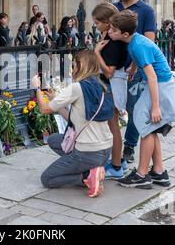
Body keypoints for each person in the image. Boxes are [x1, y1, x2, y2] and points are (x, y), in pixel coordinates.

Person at [108, 10, 175, 189]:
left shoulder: (138, 45)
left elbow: (152, 76)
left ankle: (141, 174)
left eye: (113, 30)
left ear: (125, 34)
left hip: (160, 87)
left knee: (146, 126)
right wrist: (132, 69)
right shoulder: (134, 41)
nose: (110, 32)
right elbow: (137, 58)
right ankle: (158, 171)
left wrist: (155, 107)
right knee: (151, 127)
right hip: (158, 86)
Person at [32, 50, 115, 198]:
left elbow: (44, 109)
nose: (72, 69)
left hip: (87, 152)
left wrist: (37, 87)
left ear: (81, 65)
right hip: (105, 151)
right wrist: (54, 98)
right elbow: (77, 118)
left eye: (74, 65)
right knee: (53, 139)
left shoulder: (77, 88)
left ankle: (86, 176)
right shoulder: (102, 87)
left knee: (47, 178)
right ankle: (93, 169)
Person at [113, 0, 157, 164]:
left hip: (135, 70)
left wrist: (136, 67)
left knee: (133, 108)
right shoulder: (114, 8)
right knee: (111, 109)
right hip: (113, 68)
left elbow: (149, 41)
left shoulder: (146, 11)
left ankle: (129, 146)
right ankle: (111, 148)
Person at [92, 3, 129, 180]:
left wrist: (96, 53)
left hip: (112, 86)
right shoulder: (107, 37)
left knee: (113, 126)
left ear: (107, 23)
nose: (95, 26)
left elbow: (109, 71)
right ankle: (117, 160)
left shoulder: (114, 43)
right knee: (111, 126)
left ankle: (115, 167)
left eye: (97, 23)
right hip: (108, 86)